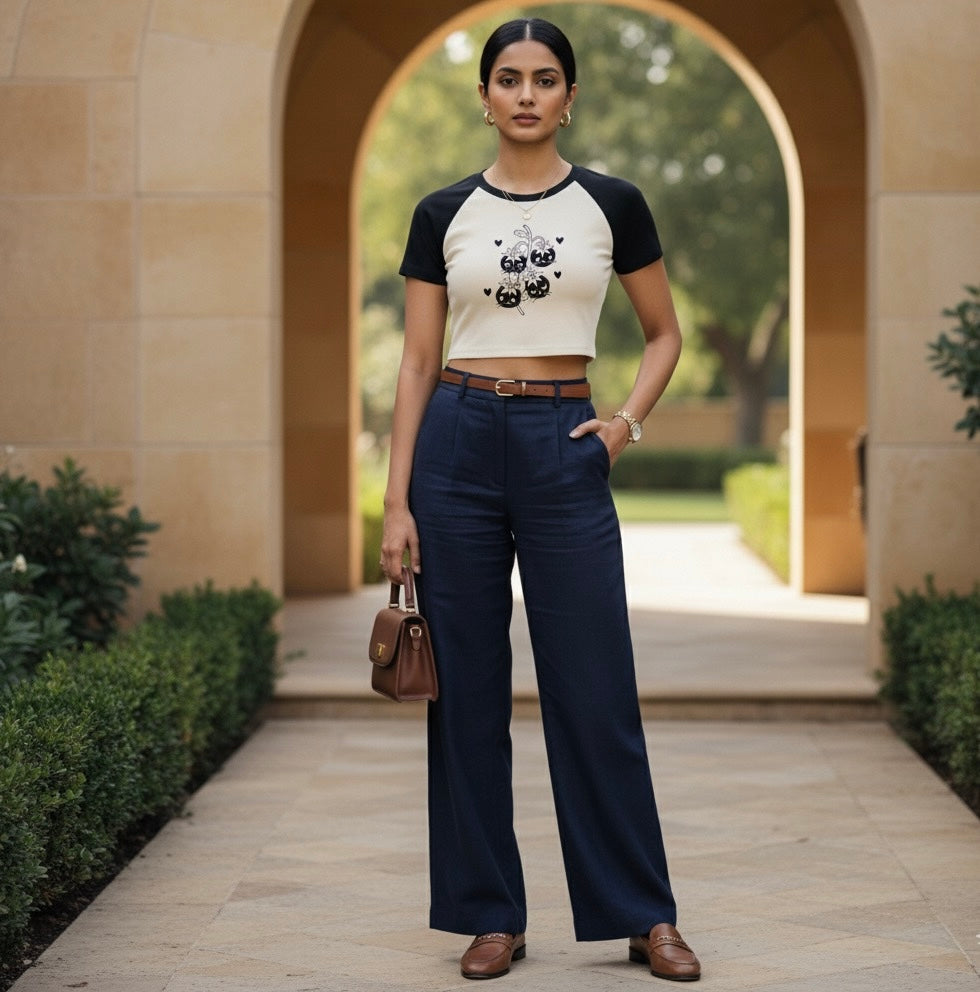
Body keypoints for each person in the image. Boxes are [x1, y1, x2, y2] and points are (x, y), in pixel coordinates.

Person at [380, 17, 701, 983]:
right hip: (458, 446)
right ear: (484, 96)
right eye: (509, 78)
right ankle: (490, 915)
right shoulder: (442, 213)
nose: (526, 94)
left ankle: (645, 914)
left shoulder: (613, 204)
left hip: (567, 444)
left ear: (570, 97)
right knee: (466, 694)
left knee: (595, 687)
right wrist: (396, 503)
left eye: (545, 79)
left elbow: (664, 334)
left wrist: (626, 424)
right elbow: (415, 360)